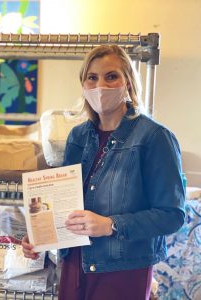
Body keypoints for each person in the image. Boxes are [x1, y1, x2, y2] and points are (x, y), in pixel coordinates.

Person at [22, 45, 185, 300]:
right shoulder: (78, 136)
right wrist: (40, 236)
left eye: (111, 76)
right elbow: (65, 204)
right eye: (92, 77)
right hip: (75, 265)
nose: (101, 86)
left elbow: (172, 215)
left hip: (124, 270)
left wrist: (111, 225)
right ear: (84, 86)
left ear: (128, 82)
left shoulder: (154, 138)